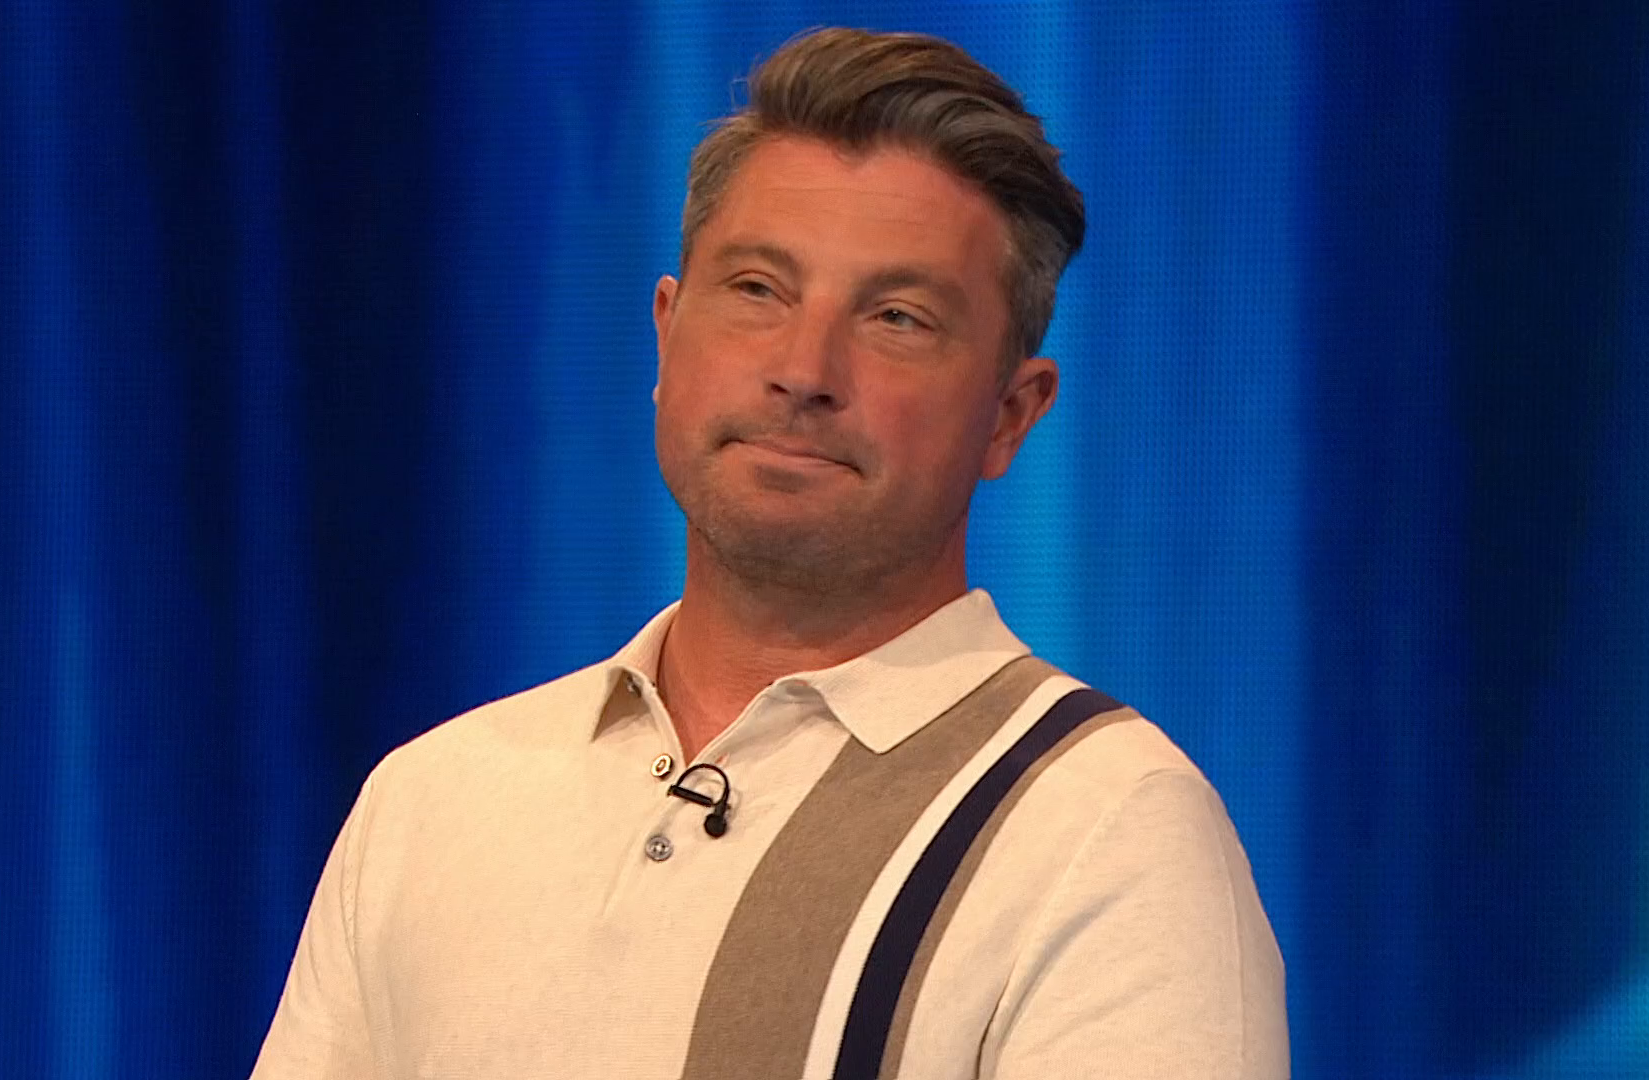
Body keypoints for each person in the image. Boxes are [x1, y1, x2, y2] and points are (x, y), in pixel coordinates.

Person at [252, 26, 1287, 1080]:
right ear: (666, 334)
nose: (804, 369)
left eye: (897, 317)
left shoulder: (1105, 824)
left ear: (1011, 416)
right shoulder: (434, 798)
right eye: (758, 289)